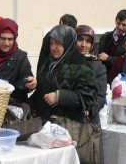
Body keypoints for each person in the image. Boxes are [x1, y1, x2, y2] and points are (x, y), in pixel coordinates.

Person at [30, 24, 99, 163]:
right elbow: (41, 91)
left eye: (58, 43)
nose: (54, 47)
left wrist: (60, 97)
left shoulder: (81, 65)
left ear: (67, 43)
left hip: (68, 129)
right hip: (46, 128)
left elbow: (89, 96)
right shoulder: (47, 63)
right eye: (51, 43)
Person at [75, 25, 106, 114]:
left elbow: (101, 96)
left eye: (88, 41)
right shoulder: (65, 63)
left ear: (92, 45)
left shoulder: (98, 67)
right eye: (80, 39)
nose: (83, 45)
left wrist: (90, 110)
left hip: (88, 120)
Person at [97, 9, 126, 75]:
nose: (120, 27)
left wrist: (108, 58)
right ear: (115, 21)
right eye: (118, 23)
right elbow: (99, 55)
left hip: (122, 77)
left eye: (124, 25)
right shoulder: (105, 36)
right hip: (104, 75)